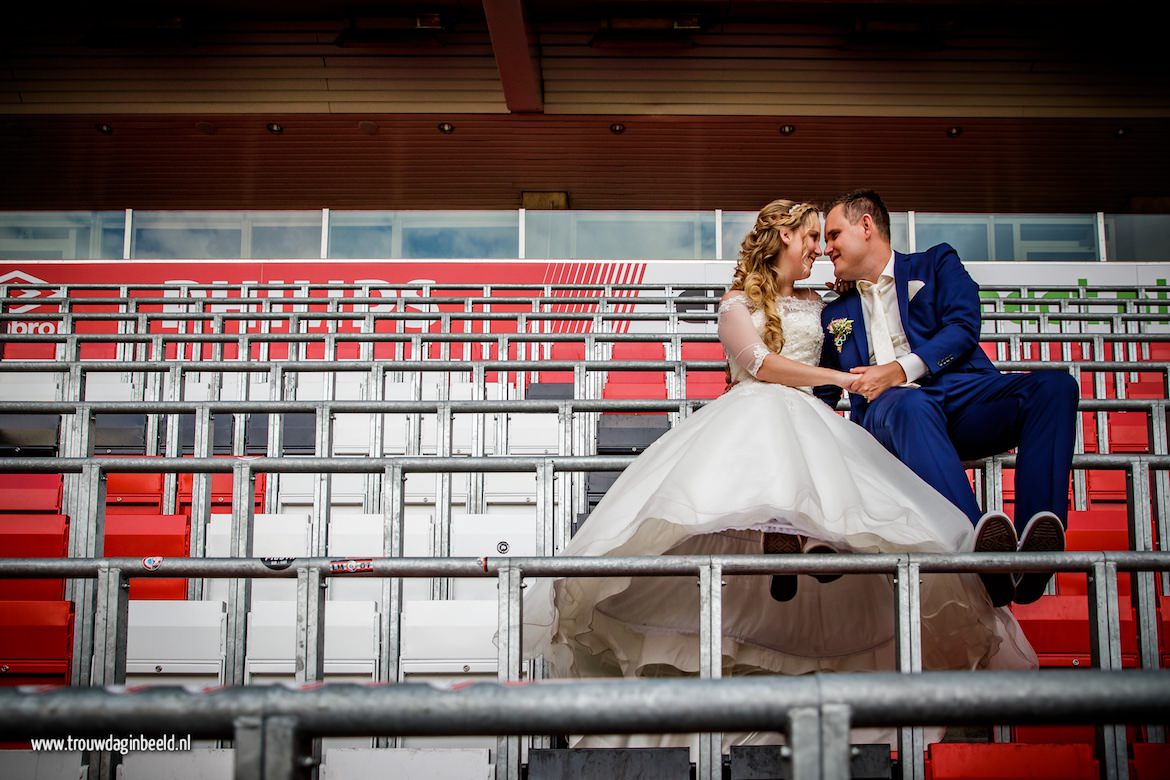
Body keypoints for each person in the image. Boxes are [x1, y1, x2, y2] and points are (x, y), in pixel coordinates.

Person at [523, 200, 1036, 743]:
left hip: (815, 417)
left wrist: (870, 377)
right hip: (756, 409)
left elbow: (869, 336)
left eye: (824, 236)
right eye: (810, 236)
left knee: (842, 483)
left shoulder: (826, 305)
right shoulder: (736, 303)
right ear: (783, 237)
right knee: (765, 438)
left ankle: (813, 544)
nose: (819, 247)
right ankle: (783, 539)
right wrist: (837, 378)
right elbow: (759, 365)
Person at [815, 190, 1079, 607]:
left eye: (833, 234)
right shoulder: (834, 313)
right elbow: (822, 391)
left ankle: (1035, 551)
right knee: (906, 403)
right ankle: (979, 549)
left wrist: (901, 369)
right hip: (891, 420)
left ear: (866, 226)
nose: (825, 247)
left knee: (1056, 387)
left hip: (963, 398)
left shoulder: (936, 263)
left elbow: (962, 327)